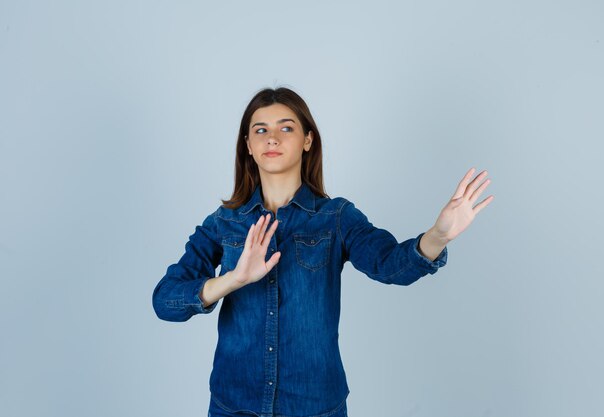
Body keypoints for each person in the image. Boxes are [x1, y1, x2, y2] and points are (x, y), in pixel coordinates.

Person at [152, 87, 494, 417]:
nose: (272, 138)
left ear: (307, 140)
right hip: (234, 405)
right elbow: (165, 301)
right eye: (261, 130)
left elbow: (391, 265)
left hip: (315, 407)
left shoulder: (336, 218)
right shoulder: (223, 222)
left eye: (286, 127)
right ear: (249, 146)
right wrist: (232, 280)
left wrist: (438, 235)